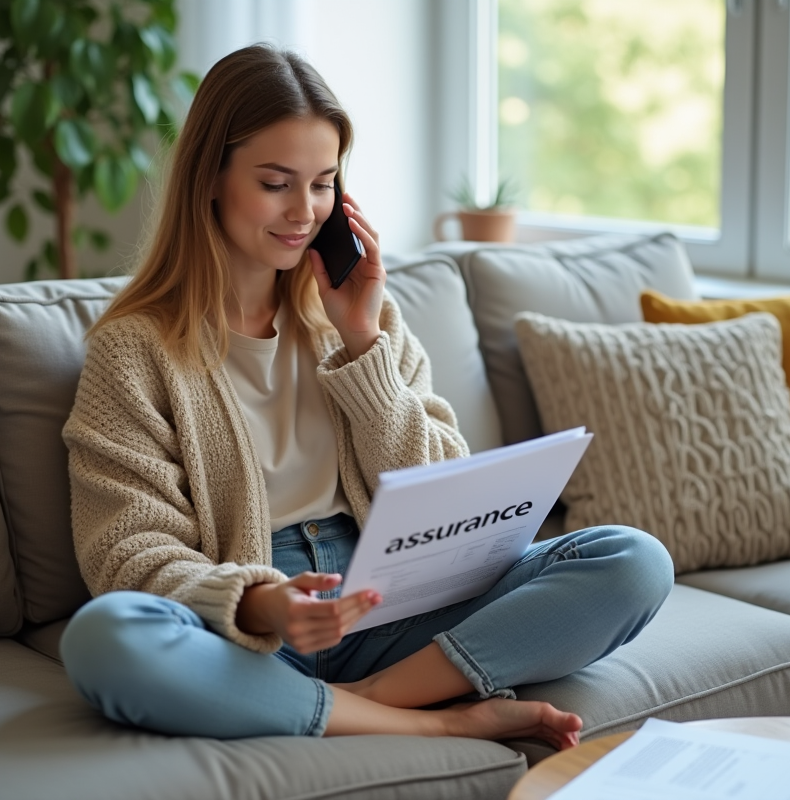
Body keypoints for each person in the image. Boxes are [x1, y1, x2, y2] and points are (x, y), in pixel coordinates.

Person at [59, 43, 674, 751]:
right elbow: (126, 553)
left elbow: (449, 496)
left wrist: (362, 347)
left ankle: (354, 703)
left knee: (633, 560)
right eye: (275, 182)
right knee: (103, 639)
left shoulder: (365, 319)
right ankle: (439, 717)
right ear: (212, 179)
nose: (304, 211)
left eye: (322, 184)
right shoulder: (133, 349)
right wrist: (266, 604)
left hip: (396, 605)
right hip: (254, 626)